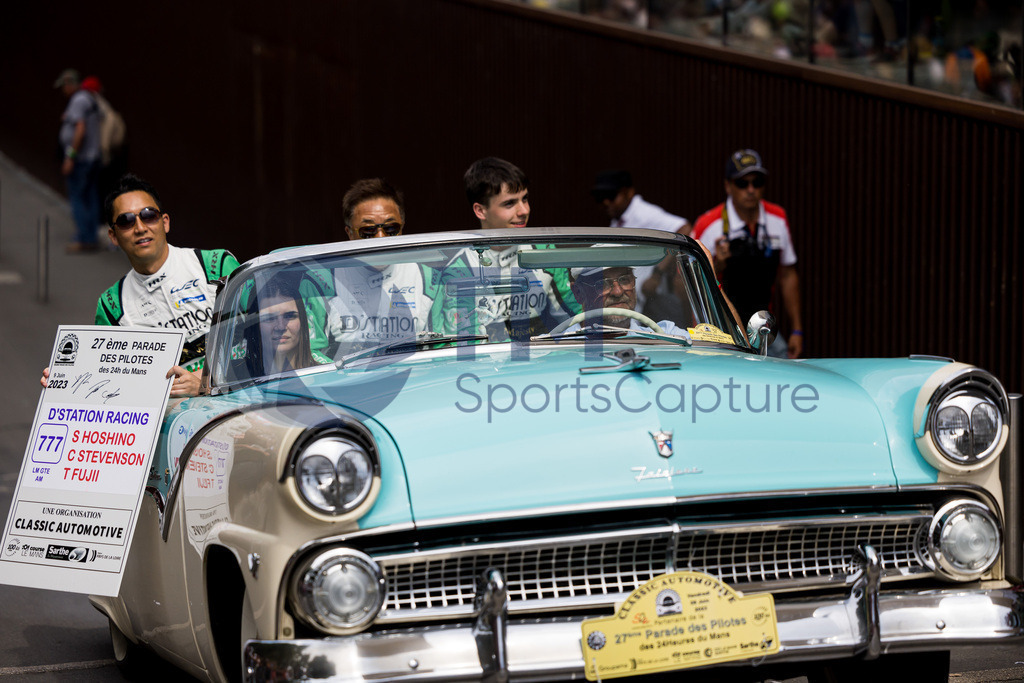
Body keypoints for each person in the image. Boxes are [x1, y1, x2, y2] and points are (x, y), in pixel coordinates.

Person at [42, 174, 240, 396]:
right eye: (126, 221)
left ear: (165, 222)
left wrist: (207, 382)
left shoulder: (217, 265)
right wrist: (68, 380)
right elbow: (109, 379)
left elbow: (258, 337)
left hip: (234, 403)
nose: (140, 227)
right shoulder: (111, 305)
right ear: (113, 236)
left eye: (148, 215)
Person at [439, 158, 576, 340]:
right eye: (509, 203)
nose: (523, 210)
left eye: (525, 199)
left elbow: (577, 315)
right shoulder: (460, 268)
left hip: (545, 363)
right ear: (480, 211)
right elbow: (464, 346)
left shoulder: (545, 251)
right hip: (488, 366)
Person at [692, 149, 803, 358]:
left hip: (763, 326)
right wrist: (717, 265)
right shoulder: (708, 225)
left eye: (757, 182)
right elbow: (686, 283)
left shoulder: (777, 218)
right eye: (743, 183)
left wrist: (797, 330)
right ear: (728, 186)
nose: (750, 190)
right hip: (720, 330)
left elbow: (788, 275)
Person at [322, 178, 441, 352]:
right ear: (349, 233)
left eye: (391, 229)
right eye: (368, 231)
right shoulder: (322, 282)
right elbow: (311, 353)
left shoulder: (430, 279)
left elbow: (443, 346)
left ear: (402, 228)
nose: (381, 238)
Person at [590, 169, 690, 317]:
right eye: (600, 197)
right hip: (630, 301)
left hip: (652, 302)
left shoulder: (642, 213)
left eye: (611, 196)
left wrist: (657, 274)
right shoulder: (618, 218)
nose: (606, 202)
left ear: (628, 193)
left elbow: (684, 229)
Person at [55, 68, 102, 253]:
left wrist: (70, 157)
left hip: (81, 159)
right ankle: (90, 236)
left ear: (69, 83)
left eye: (63, 86)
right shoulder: (89, 99)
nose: (63, 91)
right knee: (90, 197)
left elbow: (80, 129)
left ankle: (84, 239)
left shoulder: (78, 100)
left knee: (78, 198)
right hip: (92, 157)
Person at [566, 266, 688, 337]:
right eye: (602, 284)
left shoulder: (667, 336)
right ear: (578, 293)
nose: (618, 292)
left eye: (624, 280)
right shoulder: (553, 346)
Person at [244, 277, 329, 377]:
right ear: (254, 326)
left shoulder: (327, 374)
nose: (280, 327)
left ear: (303, 322)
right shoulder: (232, 378)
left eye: (289, 316)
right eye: (269, 318)